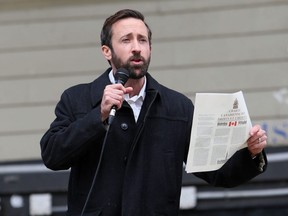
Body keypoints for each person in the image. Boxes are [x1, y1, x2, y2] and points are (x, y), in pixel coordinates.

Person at [40, 9, 268, 216]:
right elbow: (52, 155)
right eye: (126, 40)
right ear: (106, 51)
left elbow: (217, 173)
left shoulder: (178, 107)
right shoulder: (78, 99)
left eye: (143, 40)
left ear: (150, 48)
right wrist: (97, 116)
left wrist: (251, 153)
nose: (136, 47)